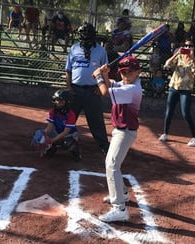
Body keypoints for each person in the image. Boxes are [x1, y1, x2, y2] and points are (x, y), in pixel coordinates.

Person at [92, 56, 143, 222]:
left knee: (112, 165)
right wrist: (104, 74)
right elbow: (110, 84)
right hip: (120, 130)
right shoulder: (127, 84)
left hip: (125, 132)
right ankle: (124, 194)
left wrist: (99, 76)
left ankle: (119, 208)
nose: (125, 76)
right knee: (112, 164)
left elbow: (105, 91)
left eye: (129, 72)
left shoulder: (133, 89)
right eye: (123, 73)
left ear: (137, 72)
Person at [65, 22, 109, 154]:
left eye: (88, 33)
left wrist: (99, 86)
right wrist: (69, 86)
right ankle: (63, 140)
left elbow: (105, 70)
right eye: (83, 33)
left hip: (92, 91)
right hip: (76, 90)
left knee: (96, 120)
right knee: (69, 118)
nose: (85, 36)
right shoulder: (74, 48)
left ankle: (103, 145)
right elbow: (68, 70)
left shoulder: (100, 50)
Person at [159, 39, 195, 146]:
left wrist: (191, 58)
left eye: (190, 46)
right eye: (186, 46)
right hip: (174, 86)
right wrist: (177, 53)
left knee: (185, 113)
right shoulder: (179, 57)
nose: (187, 48)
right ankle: (165, 133)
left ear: (193, 48)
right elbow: (167, 64)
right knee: (169, 112)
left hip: (185, 89)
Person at [38, 89, 81, 161]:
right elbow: (49, 127)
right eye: (56, 100)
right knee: (46, 141)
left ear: (67, 102)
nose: (57, 103)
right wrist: (43, 136)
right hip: (57, 133)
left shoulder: (71, 114)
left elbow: (66, 132)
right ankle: (52, 148)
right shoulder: (52, 111)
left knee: (69, 144)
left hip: (69, 135)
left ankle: (76, 153)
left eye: (60, 101)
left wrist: (52, 140)